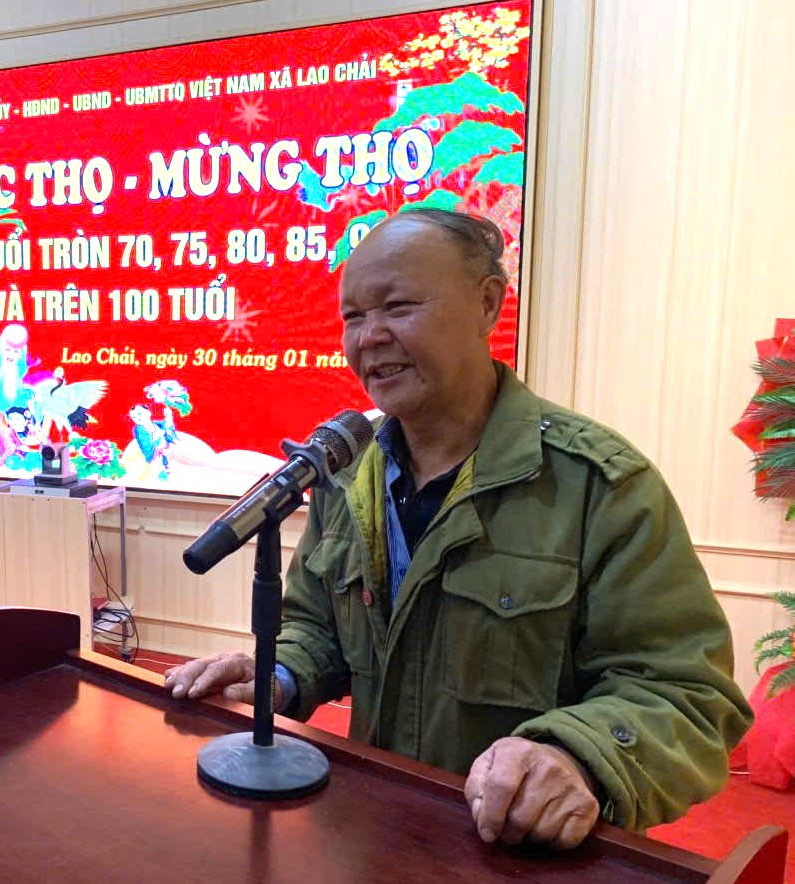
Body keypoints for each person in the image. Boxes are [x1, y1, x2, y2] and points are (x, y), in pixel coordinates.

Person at [164, 209, 751, 850]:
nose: (369, 337)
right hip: (374, 833)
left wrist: (577, 754)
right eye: (353, 317)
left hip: (517, 854)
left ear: (487, 304)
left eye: (398, 307)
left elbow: (687, 695)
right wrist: (276, 674)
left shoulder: (599, 486)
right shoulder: (347, 475)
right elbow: (318, 627)